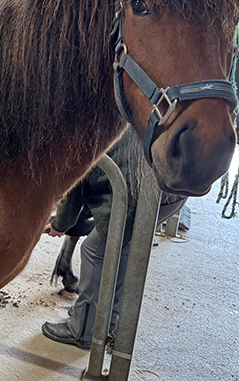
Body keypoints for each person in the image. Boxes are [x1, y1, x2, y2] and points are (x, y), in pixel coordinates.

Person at [41, 128, 186, 349]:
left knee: (94, 250)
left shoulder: (81, 133)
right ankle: (105, 320)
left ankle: (83, 330)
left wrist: (60, 224)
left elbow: (76, 188)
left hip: (140, 194)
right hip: (171, 194)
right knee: (123, 250)